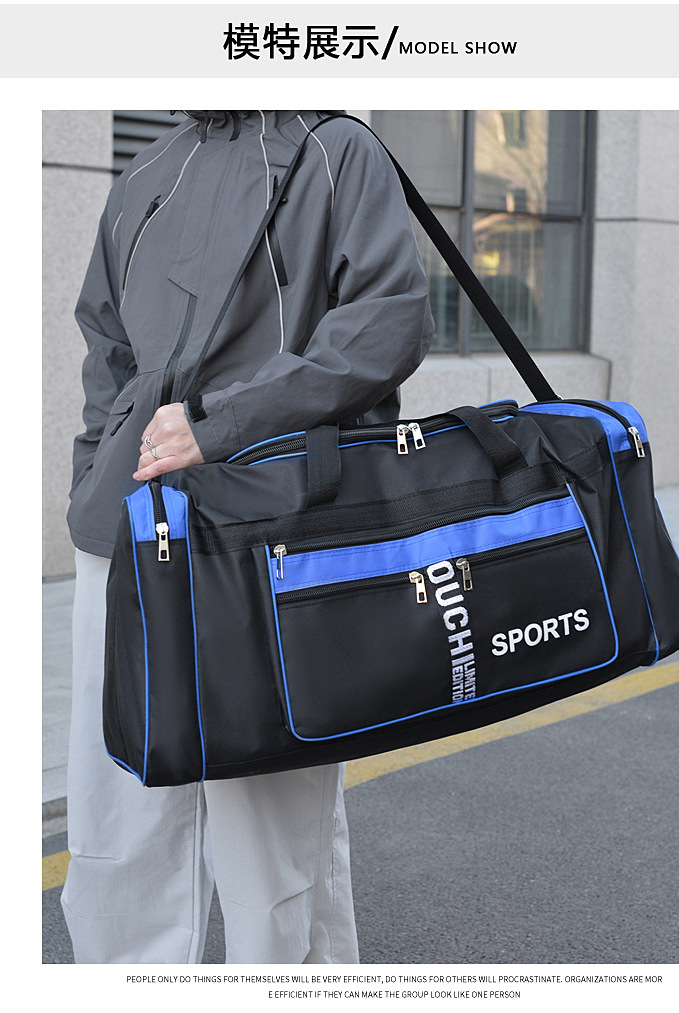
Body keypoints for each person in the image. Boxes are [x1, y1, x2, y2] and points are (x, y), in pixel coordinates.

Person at [61, 110, 435, 964]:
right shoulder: (146, 171)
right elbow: (106, 346)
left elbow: (388, 322)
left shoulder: (338, 148)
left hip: (271, 530)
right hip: (126, 534)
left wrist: (219, 423)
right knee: (122, 815)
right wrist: (94, 471)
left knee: (272, 833)